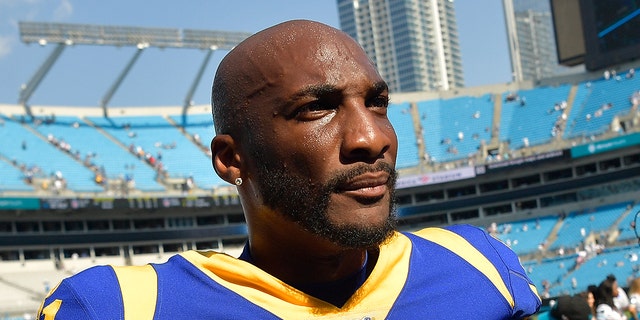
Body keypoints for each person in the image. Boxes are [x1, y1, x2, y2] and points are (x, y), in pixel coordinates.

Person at [37, 20, 541, 319]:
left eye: (377, 103)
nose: (371, 138)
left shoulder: (479, 270)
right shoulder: (124, 308)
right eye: (315, 109)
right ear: (232, 159)